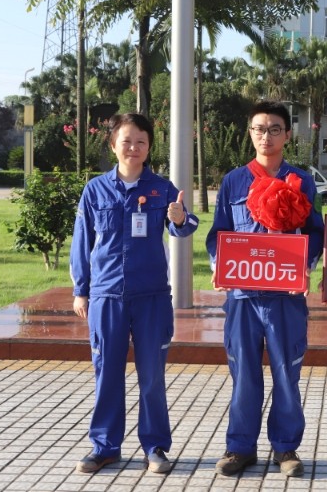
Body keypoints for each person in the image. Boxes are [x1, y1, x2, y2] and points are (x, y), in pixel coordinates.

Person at [70, 112, 199, 474]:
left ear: (149, 147)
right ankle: (104, 446)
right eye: (126, 141)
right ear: (113, 145)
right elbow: (82, 242)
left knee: (152, 376)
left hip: (151, 296)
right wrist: (81, 290)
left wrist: (179, 218)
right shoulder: (95, 190)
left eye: (141, 141)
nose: (133, 148)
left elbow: (186, 226)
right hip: (106, 295)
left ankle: (155, 447)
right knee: (106, 373)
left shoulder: (162, 188)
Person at [205, 100, 324, 478]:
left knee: (287, 373)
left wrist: (305, 264)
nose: (266, 136)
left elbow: (315, 231)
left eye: (274, 129)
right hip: (242, 296)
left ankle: (285, 447)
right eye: (259, 128)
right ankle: (240, 447)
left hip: (285, 298)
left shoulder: (302, 181)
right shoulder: (233, 181)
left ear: (287, 134)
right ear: (250, 133)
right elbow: (219, 233)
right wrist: (219, 265)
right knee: (243, 373)